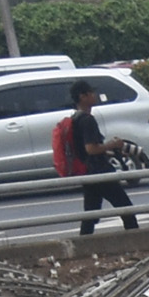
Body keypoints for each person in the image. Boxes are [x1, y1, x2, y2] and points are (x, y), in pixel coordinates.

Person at [53, 81, 141, 236]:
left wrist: (109, 150)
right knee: (126, 209)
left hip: (88, 172)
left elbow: (84, 150)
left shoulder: (76, 118)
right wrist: (112, 144)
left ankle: (83, 244)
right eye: (91, 93)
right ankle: (137, 239)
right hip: (100, 172)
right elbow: (91, 149)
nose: (95, 96)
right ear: (83, 96)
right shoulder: (87, 120)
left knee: (91, 214)